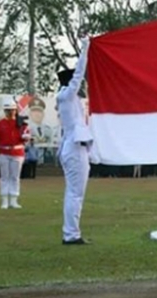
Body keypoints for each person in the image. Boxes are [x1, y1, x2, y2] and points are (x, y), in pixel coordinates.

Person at [57, 35, 93, 245]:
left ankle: (71, 232)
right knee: (75, 194)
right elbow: (79, 74)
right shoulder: (66, 95)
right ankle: (71, 234)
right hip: (73, 147)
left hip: (75, 146)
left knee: (74, 193)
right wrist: (86, 48)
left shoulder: (69, 98)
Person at [0, 99, 30, 209]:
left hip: (17, 152)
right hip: (4, 152)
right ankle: (4, 200)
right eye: (8, 110)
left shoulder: (21, 123)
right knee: (4, 177)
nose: (11, 112)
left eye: (12, 110)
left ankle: (14, 199)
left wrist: (26, 137)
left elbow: (25, 137)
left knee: (15, 177)